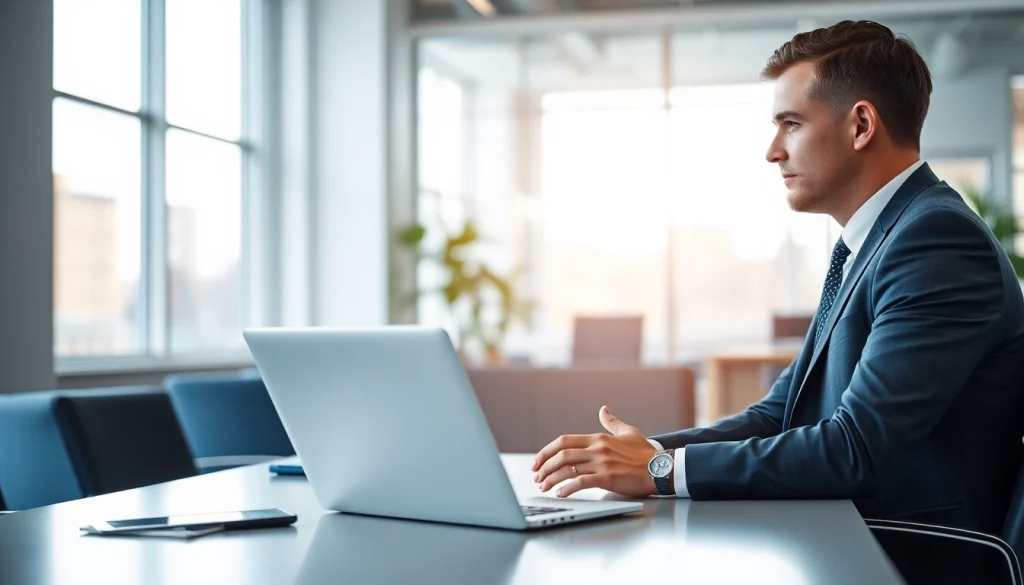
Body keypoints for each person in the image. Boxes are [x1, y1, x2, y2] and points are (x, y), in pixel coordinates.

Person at [531, 20, 1024, 583]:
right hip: (854, 530)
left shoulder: (934, 241)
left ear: (861, 124)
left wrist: (661, 469)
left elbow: (854, 449)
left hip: (917, 550)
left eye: (790, 124)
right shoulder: (875, 241)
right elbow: (778, 414)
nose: (772, 152)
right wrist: (638, 454)